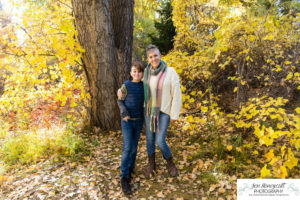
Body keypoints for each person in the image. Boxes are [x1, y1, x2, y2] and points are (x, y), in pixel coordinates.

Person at [118, 44, 182, 179]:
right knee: (150, 140)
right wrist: (120, 91)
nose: (153, 59)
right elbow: (134, 79)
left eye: (155, 56)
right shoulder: (146, 73)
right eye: (151, 57)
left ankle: (170, 163)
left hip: (164, 111)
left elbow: (176, 93)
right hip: (148, 111)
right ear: (148, 59)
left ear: (160, 56)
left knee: (160, 141)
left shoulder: (170, 72)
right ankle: (152, 165)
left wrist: (174, 114)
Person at [117, 61, 145, 195]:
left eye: (139, 72)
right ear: (130, 73)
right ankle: (124, 176)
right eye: (134, 71)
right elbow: (119, 100)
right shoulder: (126, 85)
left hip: (138, 121)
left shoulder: (144, 86)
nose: (136, 74)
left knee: (134, 147)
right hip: (127, 121)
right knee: (127, 147)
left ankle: (131, 167)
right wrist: (124, 112)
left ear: (142, 74)